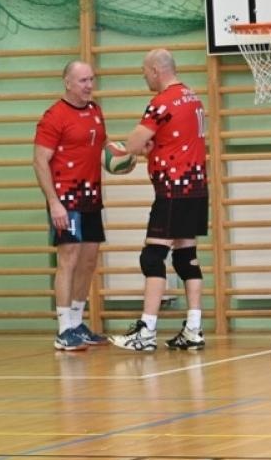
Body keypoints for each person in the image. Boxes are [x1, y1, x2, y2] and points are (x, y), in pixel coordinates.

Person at [111, 49, 209, 352]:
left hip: (172, 189)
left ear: (156, 69)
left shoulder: (161, 102)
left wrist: (130, 149)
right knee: (185, 257)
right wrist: (152, 146)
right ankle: (193, 328)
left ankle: (146, 330)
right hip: (195, 187)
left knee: (152, 257)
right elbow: (173, 139)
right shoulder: (193, 98)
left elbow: (133, 143)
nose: (143, 76)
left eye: (144, 70)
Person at [34, 60, 108, 351]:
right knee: (69, 259)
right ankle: (64, 328)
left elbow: (100, 151)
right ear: (67, 82)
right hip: (66, 198)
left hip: (92, 197)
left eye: (91, 79)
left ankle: (77, 323)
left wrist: (122, 160)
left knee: (89, 260)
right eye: (83, 81)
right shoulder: (54, 116)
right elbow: (40, 161)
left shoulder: (96, 112)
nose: (89, 85)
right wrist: (54, 203)